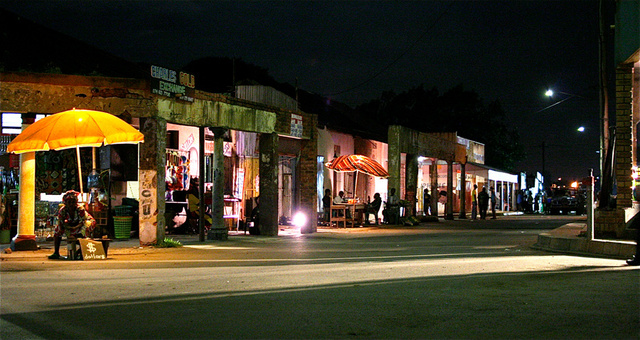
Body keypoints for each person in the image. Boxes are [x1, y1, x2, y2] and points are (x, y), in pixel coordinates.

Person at [48, 190, 96, 260]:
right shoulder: (62, 210)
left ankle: (82, 251)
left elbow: (82, 221)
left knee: (84, 228)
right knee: (57, 230)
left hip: (85, 222)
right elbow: (61, 223)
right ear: (65, 203)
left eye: (73, 202)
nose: (71, 204)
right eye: (69, 202)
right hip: (72, 225)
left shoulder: (80, 209)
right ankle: (56, 252)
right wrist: (68, 229)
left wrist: (73, 228)